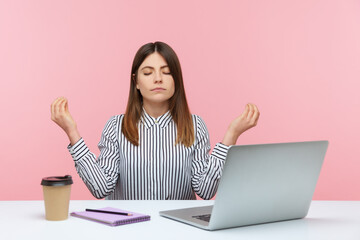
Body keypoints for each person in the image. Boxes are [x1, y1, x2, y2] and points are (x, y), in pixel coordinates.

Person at [51, 41, 260, 200]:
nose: (158, 79)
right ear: (136, 82)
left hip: (177, 230)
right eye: (148, 72)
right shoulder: (116, 126)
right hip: (128, 229)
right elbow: (101, 187)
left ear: (176, 80)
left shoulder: (195, 125)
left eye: (167, 72)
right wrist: (72, 132)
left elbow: (205, 190)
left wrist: (231, 136)